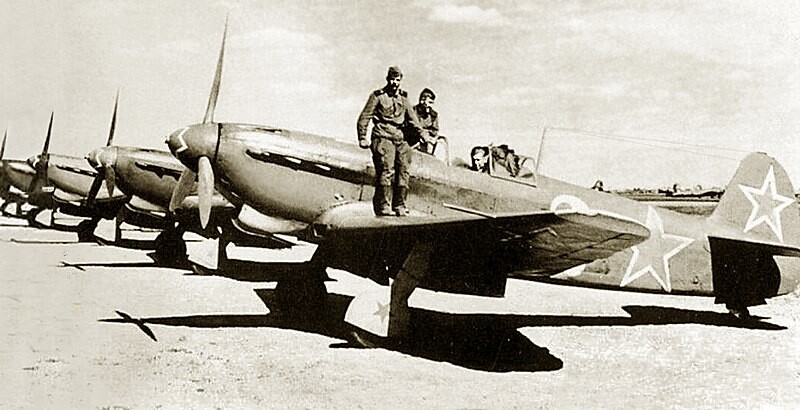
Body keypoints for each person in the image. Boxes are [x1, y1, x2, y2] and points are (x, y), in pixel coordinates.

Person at [357, 66, 430, 217]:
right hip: (382, 135)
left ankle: (400, 205)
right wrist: (362, 137)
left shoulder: (403, 98)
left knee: (404, 169)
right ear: (387, 79)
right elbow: (365, 117)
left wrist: (423, 134)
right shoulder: (378, 96)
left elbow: (413, 119)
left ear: (400, 81)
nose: (394, 83)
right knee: (387, 169)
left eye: (397, 80)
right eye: (392, 79)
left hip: (399, 136)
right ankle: (384, 206)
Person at [407, 88, 439, 154]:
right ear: (422, 101)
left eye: (431, 103)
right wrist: (420, 134)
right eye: (429, 102)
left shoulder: (433, 115)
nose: (430, 105)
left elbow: (435, 130)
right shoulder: (412, 111)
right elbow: (409, 125)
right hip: (412, 138)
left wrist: (427, 134)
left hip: (426, 140)